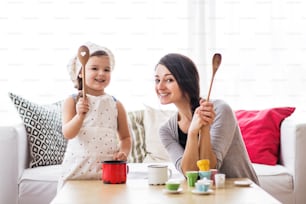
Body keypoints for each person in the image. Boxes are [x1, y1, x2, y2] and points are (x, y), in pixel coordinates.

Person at [154, 53, 259, 184]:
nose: (160, 87)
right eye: (157, 80)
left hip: (241, 193)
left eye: (169, 80)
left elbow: (209, 169)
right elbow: (189, 173)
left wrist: (204, 128)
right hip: (204, 196)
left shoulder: (220, 110)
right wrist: (192, 132)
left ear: (185, 81)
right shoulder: (166, 131)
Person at [58, 42, 131, 188]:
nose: (102, 73)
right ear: (80, 72)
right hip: (76, 171)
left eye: (107, 69)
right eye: (94, 68)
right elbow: (68, 133)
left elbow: (125, 137)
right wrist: (79, 116)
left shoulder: (116, 104)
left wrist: (123, 152)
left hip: (105, 174)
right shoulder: (72, 101)